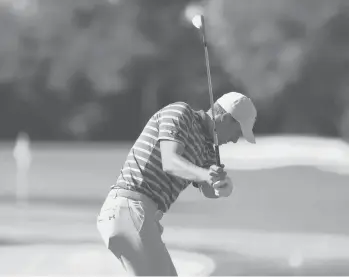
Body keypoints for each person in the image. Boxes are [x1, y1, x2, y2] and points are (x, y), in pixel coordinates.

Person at [96, 91, 257, 276]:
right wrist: (205, 175)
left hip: (140, 216)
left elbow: (208, 189)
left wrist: (223, 186)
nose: (236, 139)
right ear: (226, 118)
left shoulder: (208, 149)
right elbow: (170, 162)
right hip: (128, 208)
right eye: (238, 132)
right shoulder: (181, 113)